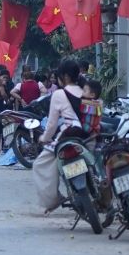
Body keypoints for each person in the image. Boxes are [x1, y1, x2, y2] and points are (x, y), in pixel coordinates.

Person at [32, 58, 100, 213]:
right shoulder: (87, 92)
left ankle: (53, 199)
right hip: (89, 139)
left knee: (40, 164)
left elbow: (51, 125)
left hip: (69, 138)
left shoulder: (59, 94)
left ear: (65, 77)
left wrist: (43, 139)